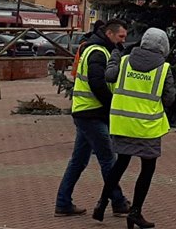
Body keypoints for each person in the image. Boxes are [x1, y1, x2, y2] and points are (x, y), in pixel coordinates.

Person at [93, 27, 173, 228]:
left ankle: (102, 203)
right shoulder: (164, 68)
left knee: (120, 163)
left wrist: (114, 56)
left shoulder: (125, 60)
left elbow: (109, 76)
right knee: (147, 169)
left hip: (123, 123)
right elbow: (170, 98)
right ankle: (135, 212)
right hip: (147, 127)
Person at [54, 18, 130, 217]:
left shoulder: (98, 50)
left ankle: (63, 202)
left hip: (86, 112)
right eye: (121, 36)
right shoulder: (98, 52)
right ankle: (119, 202)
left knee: (79, 161)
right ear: (110, 34)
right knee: (108, 159)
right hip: (91, 113)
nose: (122, 40)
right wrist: (112, 104)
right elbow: (97, 84)